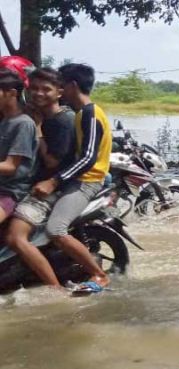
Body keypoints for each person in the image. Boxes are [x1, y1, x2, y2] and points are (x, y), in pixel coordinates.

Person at [11, 63, 112, 290]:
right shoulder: (79, 114)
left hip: (87, 181)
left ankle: (100, 275)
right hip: (74, 179)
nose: (40, 93)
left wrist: (53, 181)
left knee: (55, 229)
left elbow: (87, 158)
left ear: (70, 86)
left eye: (59, 84)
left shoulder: (89, 113)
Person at [5, 68, 76, 289]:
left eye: (46, 89)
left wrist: (37, 129)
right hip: (35, 184)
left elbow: (50, 163)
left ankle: (56, 291)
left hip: (48, 187)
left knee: (15, 238)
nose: (39, 93)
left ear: (60, 92)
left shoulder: (59, 121)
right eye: (34, 88)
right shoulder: (36, 117)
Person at [0, 69, 38, 226]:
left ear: (12, 93)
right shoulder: (5, 121)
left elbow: (10, 166)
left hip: (10, 192)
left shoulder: (23, 123)